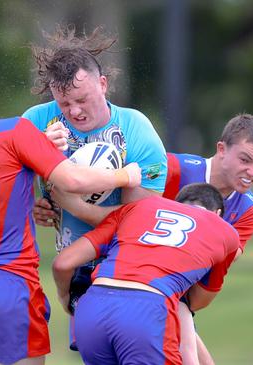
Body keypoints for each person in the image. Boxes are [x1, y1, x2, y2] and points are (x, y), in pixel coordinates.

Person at [0, 62, 142, 365]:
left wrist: (39, 144)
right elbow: (73, 180)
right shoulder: (14, 130)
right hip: (8, 284)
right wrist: (125, 177)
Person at [22, 24, 168, 350]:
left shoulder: (136, 130)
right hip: (75, 269)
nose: (73, 111)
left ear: (103, 84)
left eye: (82, 99)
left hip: (129, 268)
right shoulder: (36, 121)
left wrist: (73, 206)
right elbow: (5, 182)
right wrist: (31, 202)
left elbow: (138, 223)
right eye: (63, 103)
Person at [52, 183, 240, 365]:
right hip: (147, 310)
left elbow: (63, 263)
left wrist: (65, 298)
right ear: (218, 215)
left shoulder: (141, 206)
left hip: (91, 308)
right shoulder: (226, 232)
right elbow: (198, 301)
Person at [164, 113, 253, 365]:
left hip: (179, 295)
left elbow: (217, 270)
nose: (252, 172)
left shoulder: (250, 209)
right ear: (222, 149)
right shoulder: (174, 168)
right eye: (245, 160)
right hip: (128, 281)